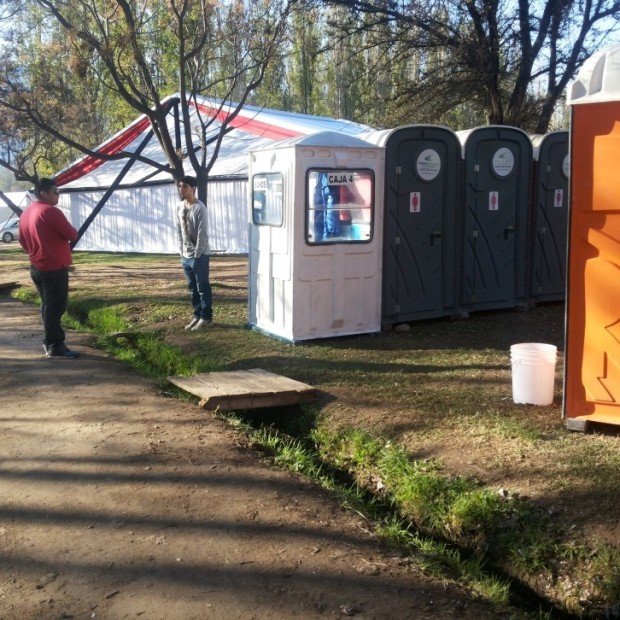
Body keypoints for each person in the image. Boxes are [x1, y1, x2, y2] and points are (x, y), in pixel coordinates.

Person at [19, 178, 79, 358]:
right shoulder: (51, 212)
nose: (58, 195)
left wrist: (37, 250)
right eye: (55, 191)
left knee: (47, 306)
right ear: (43, 192)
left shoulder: (26, 213)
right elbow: (72, 234)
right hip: (54, 268)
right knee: (55, 307)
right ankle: (55, 345)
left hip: (37, 267)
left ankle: (50, 342)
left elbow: (22, 241)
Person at [177, 175, 212, 330]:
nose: (181, 189)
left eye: (184, 186)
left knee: (202, 287)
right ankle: (197, 314)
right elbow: (179, 230)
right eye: (180, 186)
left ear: (193, 188)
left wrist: (197, 255)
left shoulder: (199, 207)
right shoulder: (180, 207)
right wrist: (181, 251)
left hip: (199, 254)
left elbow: (202, 234)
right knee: (192, 288)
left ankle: (206, 316)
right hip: (185, 254)